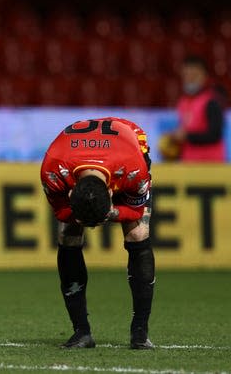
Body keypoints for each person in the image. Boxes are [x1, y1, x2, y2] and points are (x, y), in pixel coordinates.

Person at [40, 117, 155, 350]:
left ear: (113, 194)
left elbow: (134, 210)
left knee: (138, 233)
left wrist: (110, 213)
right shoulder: (53, 169)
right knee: (68, 233)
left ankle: (140, 333)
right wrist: (90, 214)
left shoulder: (135, 168)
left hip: (129, 142)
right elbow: (63, 213)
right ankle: (81, 332)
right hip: (78, 154)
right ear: (71, 192)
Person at [163, 55, 226, 162]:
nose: (190, 80)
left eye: (194, 75)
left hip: (210, 165)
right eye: (187, 75)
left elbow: (215, 135)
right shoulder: (183, 102)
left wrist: (186, 136)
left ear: (205, 76)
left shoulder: (212, 101)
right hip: (189, 164)